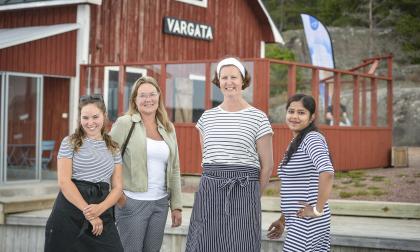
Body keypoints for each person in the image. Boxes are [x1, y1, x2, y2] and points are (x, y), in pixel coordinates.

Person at [185, 57, 274, 252]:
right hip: (210, 190)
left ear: (243, 80)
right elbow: (207, 161)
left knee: (241, 245)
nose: (229, 82)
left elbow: (267, 166)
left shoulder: (258, 117)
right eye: (224, 77)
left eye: (234, 77)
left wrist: (252, 196)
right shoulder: (207, 118)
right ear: (218, 81)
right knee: (204, 244)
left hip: (245, 189)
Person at [109, 76, 182, 252]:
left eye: (152, 94)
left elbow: (174, 168)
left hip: (160, 204)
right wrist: (119, 197)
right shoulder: (124, 123)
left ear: (159, 97)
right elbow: (108, 161)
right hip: (132, 202)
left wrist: (176, 205)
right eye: (142, 95)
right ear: (135, 99)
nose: (148, 99)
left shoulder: (168, 127)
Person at [44, 94, 123, 252]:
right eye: (85, 117)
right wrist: (91, 214)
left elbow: (118, 187)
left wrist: (100, 209)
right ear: (79, 118)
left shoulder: (114, 147)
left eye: (95, 117)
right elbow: (64, 182)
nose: (90, 122)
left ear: (104, 116)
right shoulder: (69, 143)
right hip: (69, 213)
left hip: (102, 211)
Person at [267, 94, 334, 251]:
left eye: (301, 112)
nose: (294, 116)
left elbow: (327, 172)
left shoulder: (312, 139)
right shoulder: (297, 142)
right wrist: (283, 220)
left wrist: (317, 210)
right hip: (298, 220)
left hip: (307, 222)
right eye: (291, 111)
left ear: (311, 118)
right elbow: (294, 186)